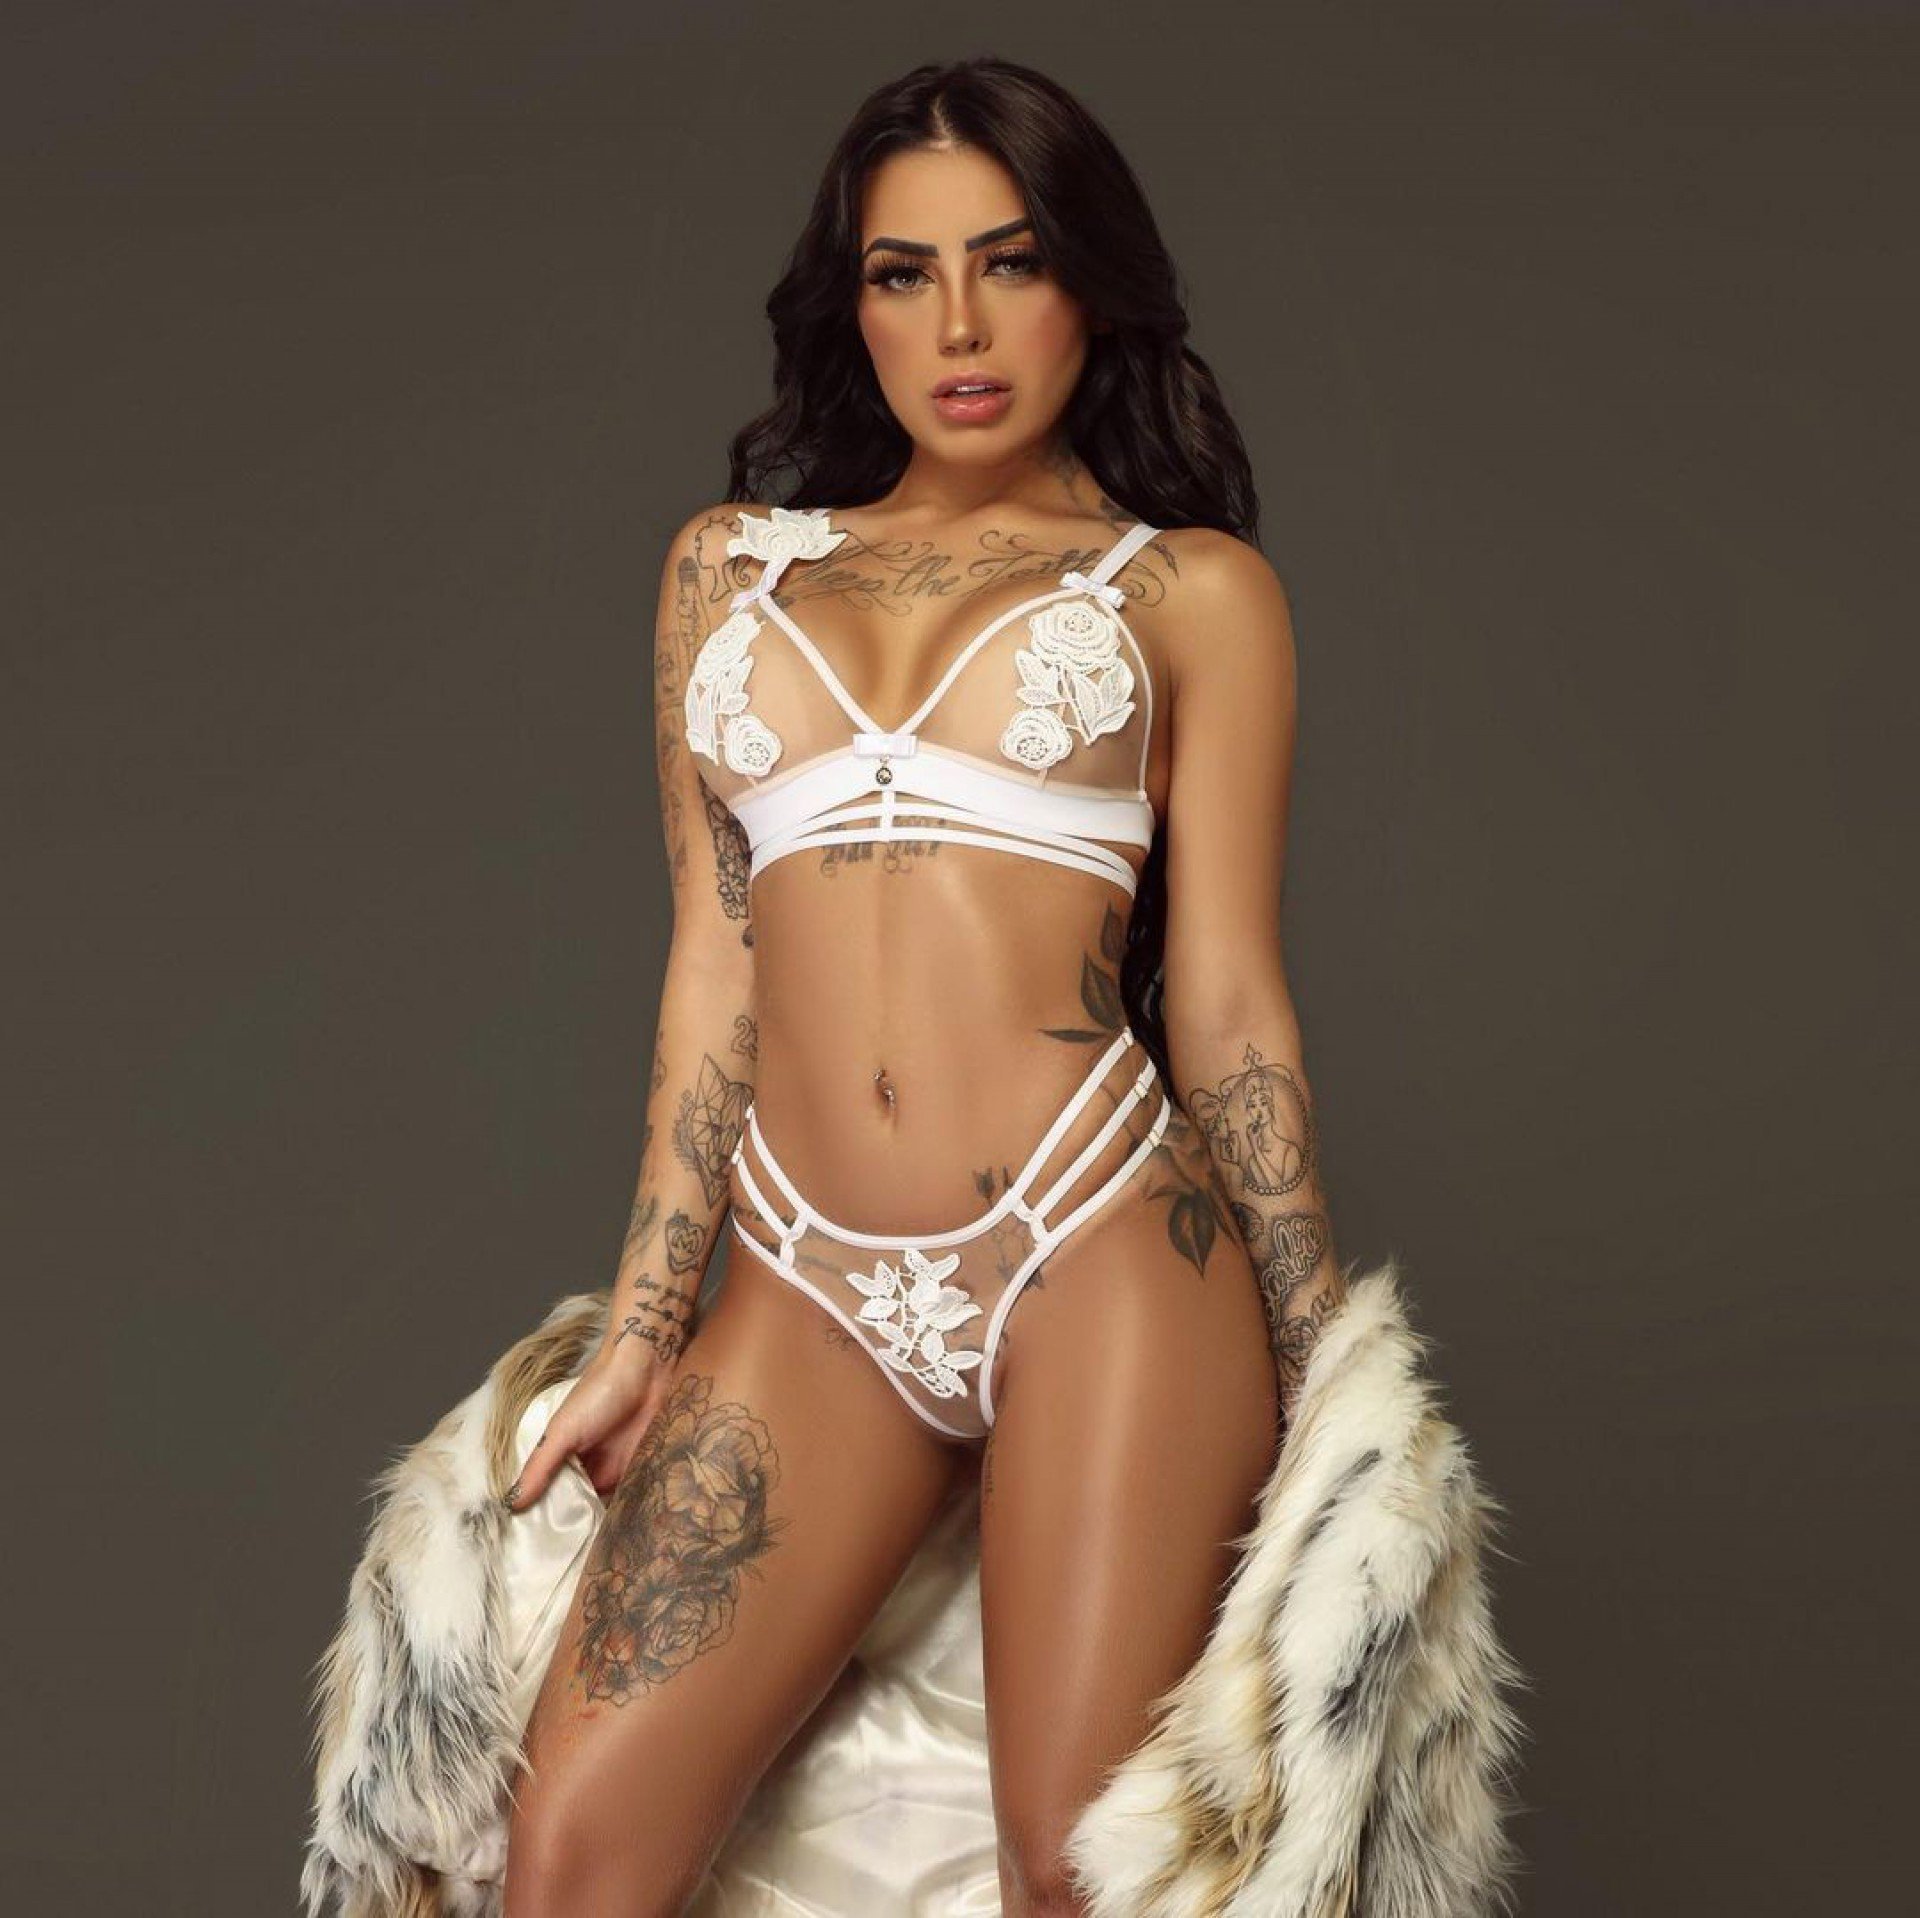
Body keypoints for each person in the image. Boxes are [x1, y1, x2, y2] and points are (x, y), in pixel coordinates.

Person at [499, 56, 1348, 1918]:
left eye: (1009, 261)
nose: (959, 326)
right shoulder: (723, 575)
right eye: (904, 272)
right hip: (807, 1275)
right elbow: (712, 976)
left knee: (1074, 1869)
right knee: (567, 1857)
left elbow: (1226, 1003)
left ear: (1089, 284)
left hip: (1100, 1246)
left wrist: (1329, 1390)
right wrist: (644, 1325)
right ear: (854, 302)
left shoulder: (1191, 592)